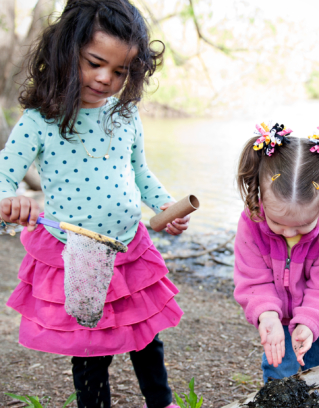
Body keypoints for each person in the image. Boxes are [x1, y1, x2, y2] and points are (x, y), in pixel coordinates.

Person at [0, 1, 187, 407]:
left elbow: (140, 172)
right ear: (67, 51)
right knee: (92, 348)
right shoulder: (39, 121)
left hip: (129, 245)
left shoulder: (125, 115)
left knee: (145, 337)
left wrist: (165, 206)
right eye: (95, 63)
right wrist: (9, 199)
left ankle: (162, 402)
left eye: (120, 71)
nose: (106, 78)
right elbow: (4, 175)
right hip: (77, 252)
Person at [234, 123, 319, 382]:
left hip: (318, 318)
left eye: (301, 226)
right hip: (274, 319)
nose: (288, 233)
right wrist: (266, 315)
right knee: (277, 373)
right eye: (276, 223)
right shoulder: (251, 223)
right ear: (259, 196)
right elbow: (253, 279)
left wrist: (309, 323)